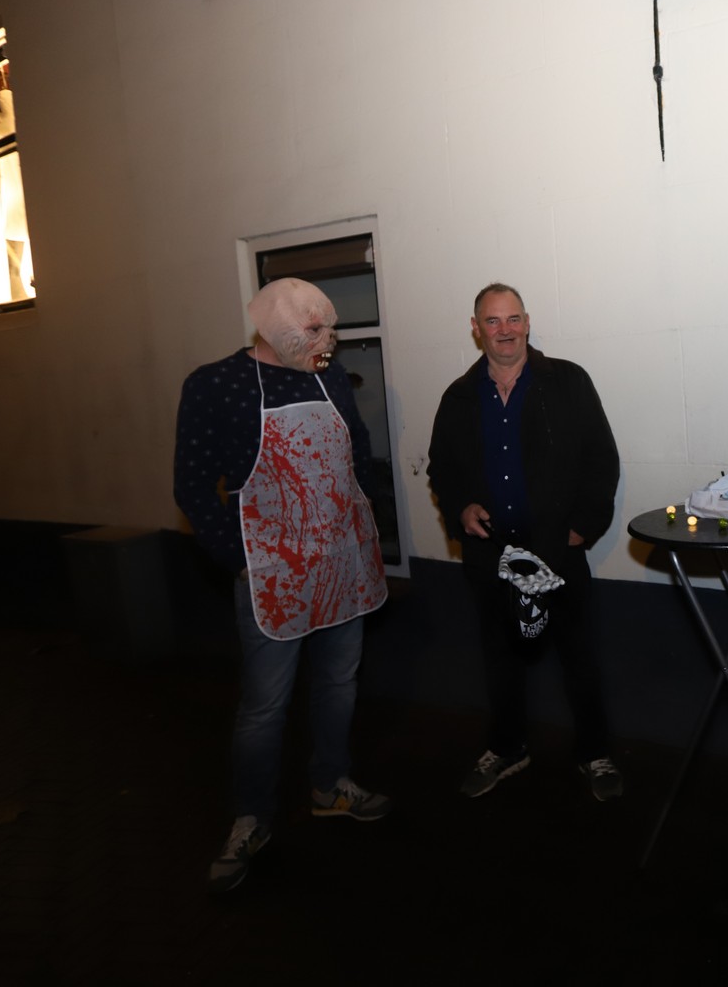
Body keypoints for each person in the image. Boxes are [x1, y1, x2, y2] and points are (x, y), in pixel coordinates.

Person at [175, 278, 392, 894]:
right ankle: (251, 818)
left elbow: (357, 450)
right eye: (315, 331)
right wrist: (241, 558)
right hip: (272, 573)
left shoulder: (328, 376)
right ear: (273, 328)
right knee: (265, 705)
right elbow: (193, 483)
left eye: (330, 329)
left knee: (339, 683)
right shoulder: (217, 384)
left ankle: (330, 785)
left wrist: (360, 518)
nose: (329, 342)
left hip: (343, 563)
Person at [427, 283, 624, 801]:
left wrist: (584, 525)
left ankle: (594, 753)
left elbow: (601, 458)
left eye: (513, 318)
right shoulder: (459, 396)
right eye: (492, 321)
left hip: (558, 551)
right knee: (500, 660)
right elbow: (441, 468)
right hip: (490, 556)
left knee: (578, 657)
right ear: (476, 329)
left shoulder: (568, 381)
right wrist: (459, 507)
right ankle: (507, 747)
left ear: (528, 322)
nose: (505, 330)